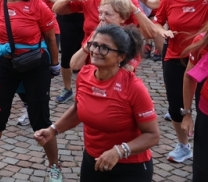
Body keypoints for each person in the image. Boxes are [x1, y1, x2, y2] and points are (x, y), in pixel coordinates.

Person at [34, 25, 159, 182]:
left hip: (130, 168)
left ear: (121, 57)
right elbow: (78, 109)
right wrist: (53, 130)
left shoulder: (134, 87)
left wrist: (119, 151)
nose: (96, 51)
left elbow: (152, 135)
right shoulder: (85, 74)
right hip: (92, 161)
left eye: (105, 48)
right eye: (94, 44)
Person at [0, 0, 62, 182]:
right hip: (6, 63)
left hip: (35, 64)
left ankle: (54, 165)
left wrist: (54, 64)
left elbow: (51, 37)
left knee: (40, 117)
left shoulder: (37, 5)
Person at [137, 0, 208, 163]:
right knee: (176, 104)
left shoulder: (205, 1)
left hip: (202, 61)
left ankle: (203, 146)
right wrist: (162, 31)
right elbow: (157, 21)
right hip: (175, 55)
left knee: (203, 103)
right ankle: (184, 145)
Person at [184, 20, 208, 182]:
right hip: (206, 115)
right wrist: (187, 113)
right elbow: (189, 77)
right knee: (202, 170)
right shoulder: (202, 41)